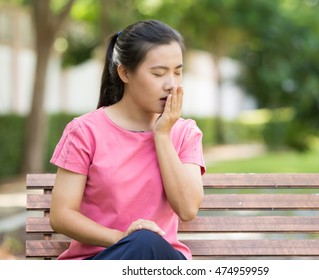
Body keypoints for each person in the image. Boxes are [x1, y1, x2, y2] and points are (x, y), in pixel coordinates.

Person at [49, 19, 206, 260]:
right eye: (158, 73)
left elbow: (187, 209)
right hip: (101, 261)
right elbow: (61, 215)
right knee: (141, 242)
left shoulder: (185, 132)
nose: (171, 84)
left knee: (147, 243)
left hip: (160, 262)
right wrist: (121, 238)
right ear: (124, 73)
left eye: (178, 72)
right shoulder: (85, 131)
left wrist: (162, 134)